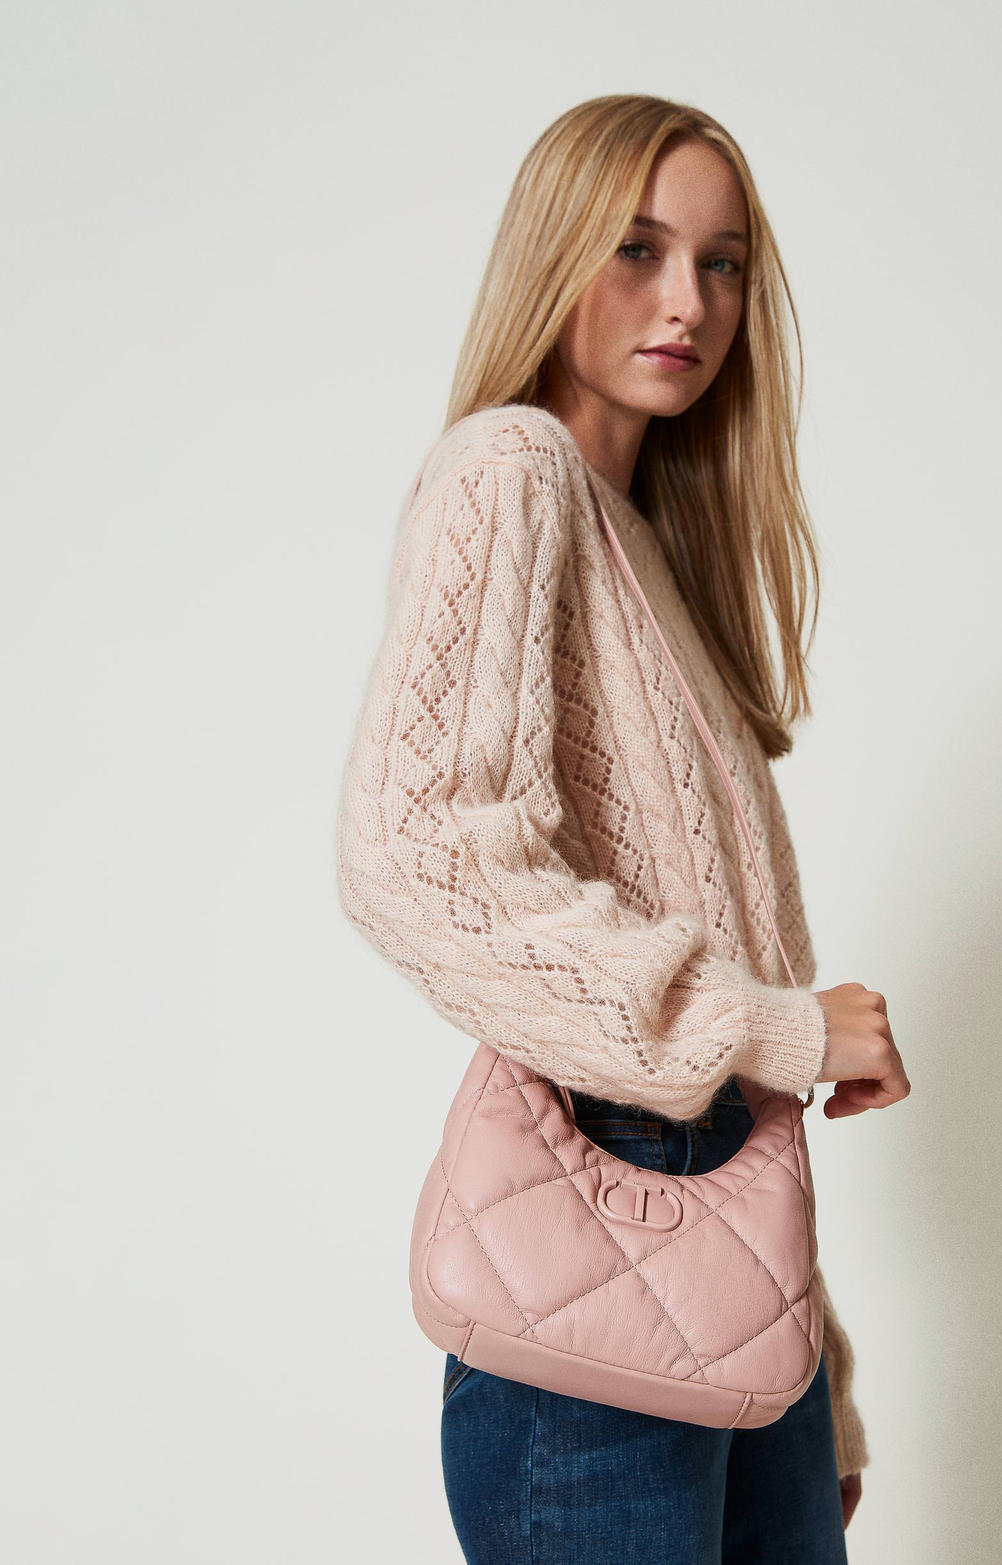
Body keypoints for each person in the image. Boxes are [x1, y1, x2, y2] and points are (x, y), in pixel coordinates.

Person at [335, 93, 911, 1562]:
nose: (688, 302)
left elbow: (722, 1074)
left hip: (725, 1285)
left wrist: (813, 1370)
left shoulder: (645, 543)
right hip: (594, 1260)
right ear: (554, 255)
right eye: (638, 249)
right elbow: (418, 848)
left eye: (722, 264)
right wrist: (779, 1025)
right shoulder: (512, 470)